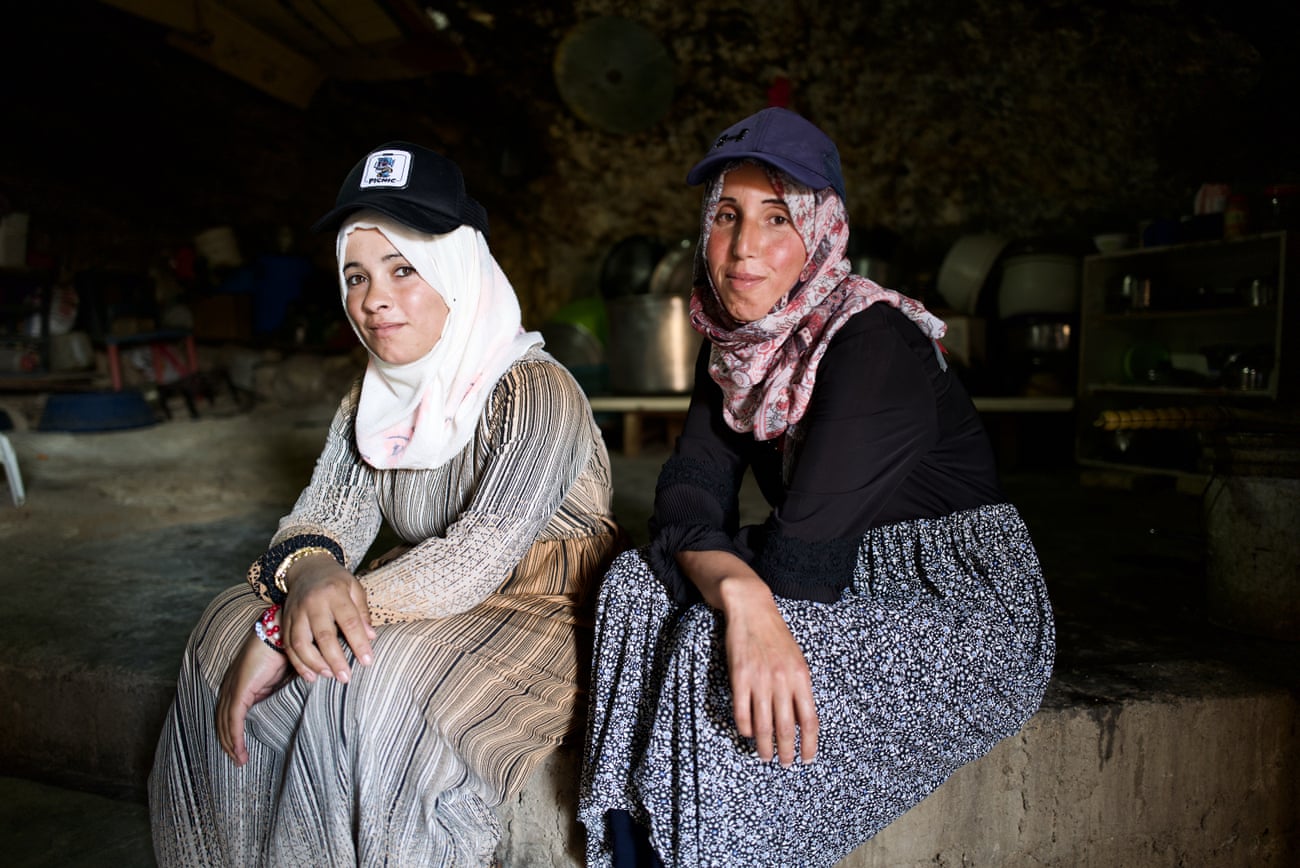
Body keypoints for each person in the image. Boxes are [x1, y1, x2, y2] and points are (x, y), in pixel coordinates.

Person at [578, 107, 1055, 867]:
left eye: (776, 218)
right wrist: (738, 587)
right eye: (727, 215)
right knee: (635, 582)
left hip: (958, 603)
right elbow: (685, 500)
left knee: (710, 651)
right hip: (839, 564)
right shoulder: (739, 346)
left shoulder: (874, 343)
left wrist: (743, 598)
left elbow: (804, 565)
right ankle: (630, 849)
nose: (743, 249)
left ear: (821, 233)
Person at [149, 141, 620, 866]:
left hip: (542, 610)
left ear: (458, 271)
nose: (374, 300)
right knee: (221, 627)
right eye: (356, 276)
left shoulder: (534, 390)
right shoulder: (371, 397)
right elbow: (323, 517)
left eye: (405, 269)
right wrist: (307, 578)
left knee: (371, 677)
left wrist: (285, 628)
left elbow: (475, 558)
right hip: (421, 593)